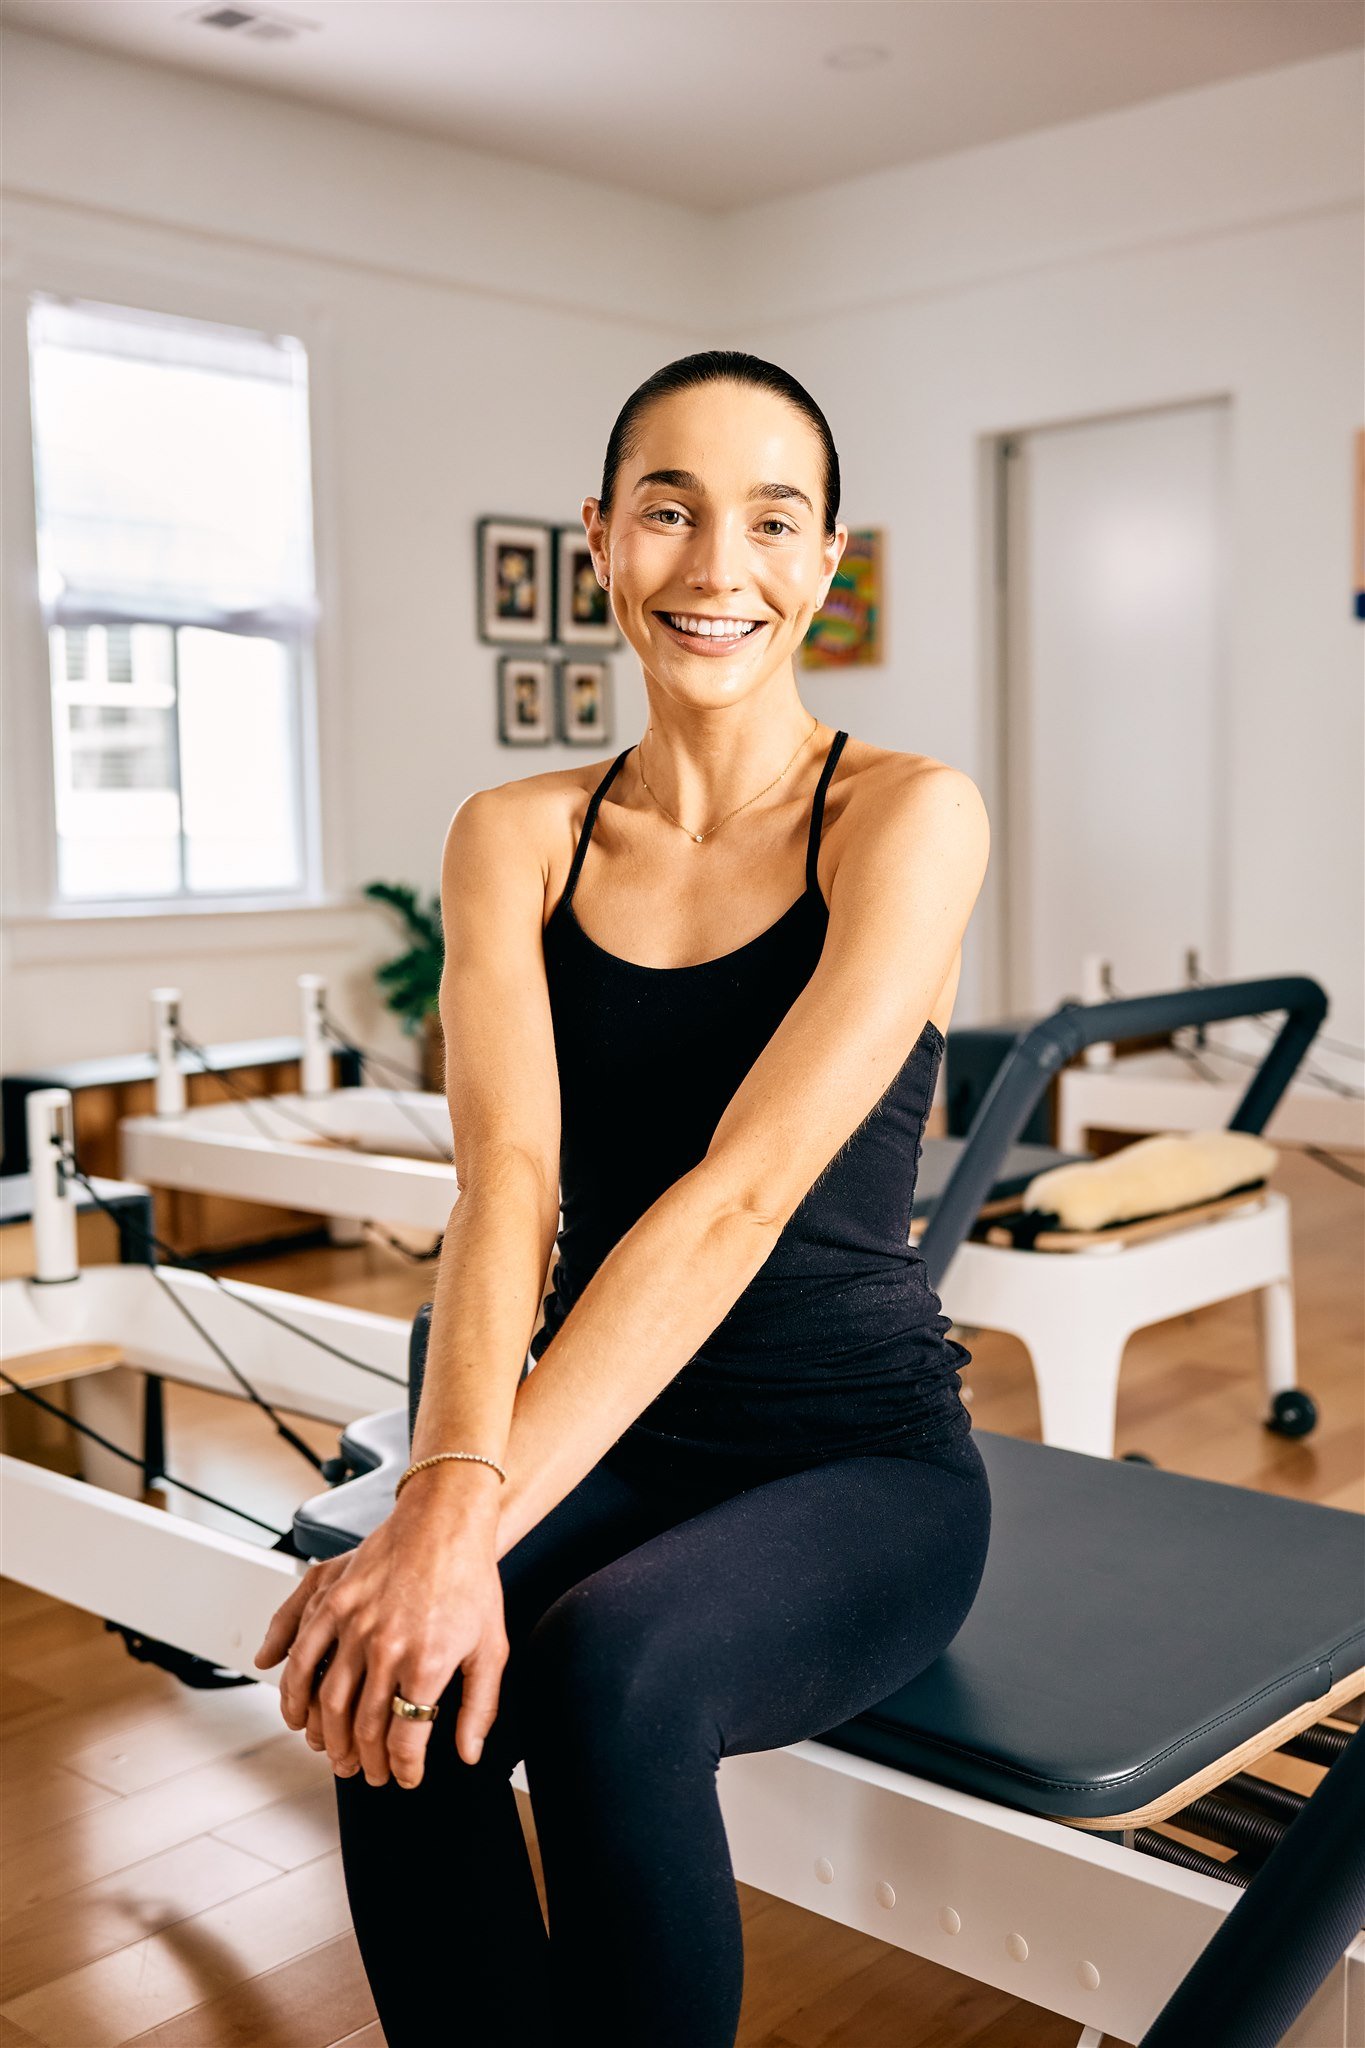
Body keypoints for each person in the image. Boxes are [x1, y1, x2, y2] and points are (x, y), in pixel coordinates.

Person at [254, 350, 993, 2048]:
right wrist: (442, 1509)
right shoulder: (514, 836)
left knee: (606, 1670)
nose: (714, 564)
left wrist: (453, 1528)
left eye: (767, 520)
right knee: (400, 1672)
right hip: (615, 1431)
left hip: (854, 1454)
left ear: (825, 561)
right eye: (667, 510)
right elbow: (505, 1182)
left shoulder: (904, 817)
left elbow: (739, 1198)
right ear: (599, 541)